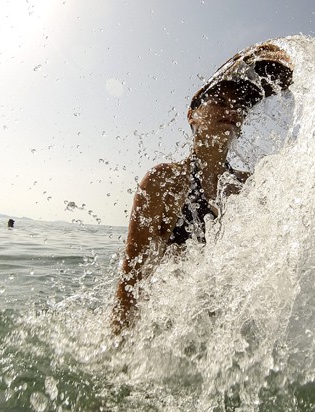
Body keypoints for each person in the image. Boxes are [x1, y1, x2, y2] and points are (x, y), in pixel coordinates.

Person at [112, 40, 294, 334]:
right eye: (220, 102)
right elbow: (131, 280)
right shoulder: (164, 182)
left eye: (238, 106)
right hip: (167, 329)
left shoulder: (247, 187)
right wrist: (119, 349)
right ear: (192, 115)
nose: (231, 110)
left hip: (221, 333)